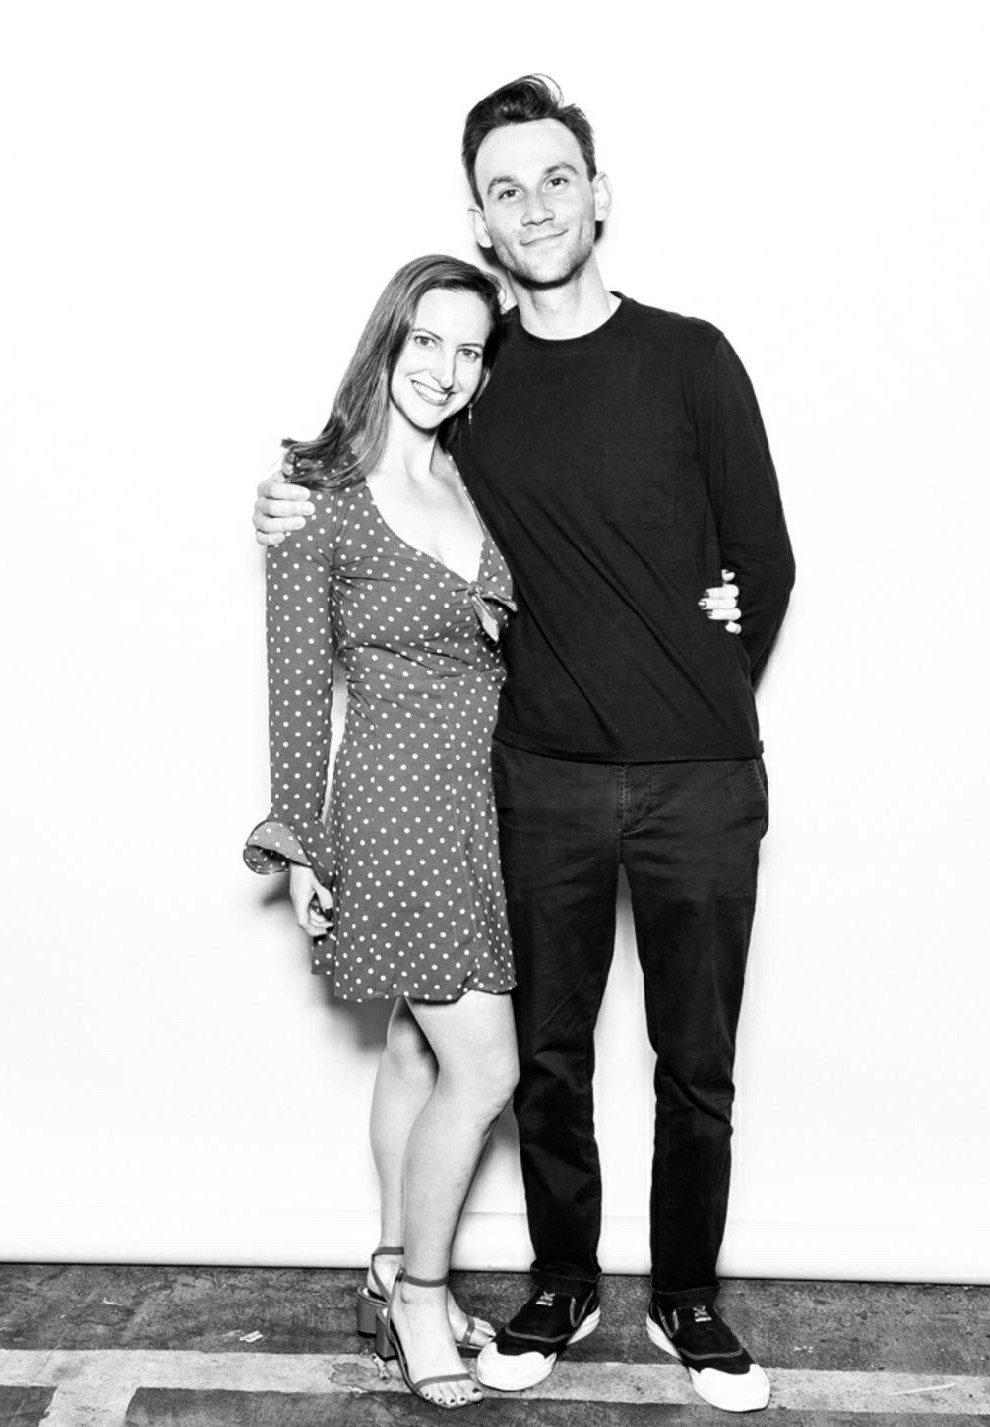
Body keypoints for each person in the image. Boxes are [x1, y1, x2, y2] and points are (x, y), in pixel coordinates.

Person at [255, 77, 795, 1414]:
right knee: (538, 1058)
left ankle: (688, 1299)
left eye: (556, 178)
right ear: (482, 221)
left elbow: (764, 560)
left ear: (598, 193)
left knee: (696, 1059)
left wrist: (695, 685)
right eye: (506, 189)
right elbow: (378, 467)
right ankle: (559, 1285)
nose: (535, 205)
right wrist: (291, 491)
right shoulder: (476, 390)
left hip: (699, 776)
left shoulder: (692, 357)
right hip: (535, 781)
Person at [244, 254, 521, 1410]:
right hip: (397, 809)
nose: (444, 369)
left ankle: (388, 1261)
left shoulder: (475, 478)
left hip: (485, 808)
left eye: (469, 350)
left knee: (417, 1050)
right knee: (486, 1066)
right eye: (427, 341)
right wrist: (300, 841)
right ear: (387, 341)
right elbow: (297, 684)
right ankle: (420, 1296)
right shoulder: (318, 497)